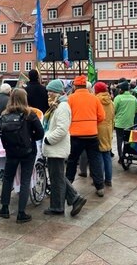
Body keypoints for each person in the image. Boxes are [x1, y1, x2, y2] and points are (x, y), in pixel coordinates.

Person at [0, 89, 44, 223]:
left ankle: (4, 208)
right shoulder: (30, 114)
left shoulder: (4, 114)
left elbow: (0, 132)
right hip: (28, 151)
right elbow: (40, 133)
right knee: (25, 179)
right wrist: (30, 138)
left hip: (11, 151)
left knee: (7, 178)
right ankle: (21, 212)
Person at [42, 79, 87, 216]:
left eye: (51, 91)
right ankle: (74, 199)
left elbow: (62, 129)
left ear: (57, 92)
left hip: (56, 147)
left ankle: (58, 206)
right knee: (58, 176)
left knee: (57, 178)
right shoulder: (58, 105)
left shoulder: (62, 107)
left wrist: (48, 139)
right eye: (48, 91)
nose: (48, 93)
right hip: (55, 147)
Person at [65, 75, 106, 197]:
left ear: (75, 85)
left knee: (72, 160)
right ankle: (100, 187)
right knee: (95, 160)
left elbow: (66, 116)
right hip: (92, 134)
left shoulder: (70, 99)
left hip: (76, 135)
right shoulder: (94, 99)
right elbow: (102, 117)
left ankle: (68, 184)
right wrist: (92, 124)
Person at [94, 82, 115, 187]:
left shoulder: (96, 100)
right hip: (108, 129)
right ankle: (109, 179)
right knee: (107, 153)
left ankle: (100, 179)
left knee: (99, 155)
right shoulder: (111, 101)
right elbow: (112, 116)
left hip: (98, 128)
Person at [113, 81, 137, 164]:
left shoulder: (118, 98)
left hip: (119, 124)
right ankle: (128, 156)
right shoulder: (133, 98)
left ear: (122, 89)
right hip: (130, 124)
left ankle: (121, 157)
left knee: (119, 141)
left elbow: (114, 110)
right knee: (128, 141)